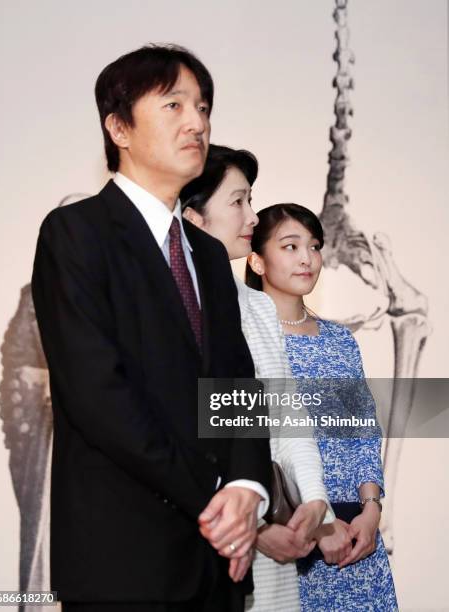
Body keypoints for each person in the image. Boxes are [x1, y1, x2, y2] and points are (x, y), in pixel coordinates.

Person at [31, 45, 272, 612]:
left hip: (218, 567)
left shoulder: (209, 256)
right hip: (123, 563)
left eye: (204, 106)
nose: (198, 122)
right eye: (173, 104)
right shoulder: (76, 233)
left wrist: (247, 490)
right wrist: (215, 499)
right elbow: (99, 395)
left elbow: (237, 386)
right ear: (119, 126)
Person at [181, 145, 335, 612]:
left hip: (282, 550)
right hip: (208, 538)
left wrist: (313, 502)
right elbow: (185, 440)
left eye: (251, 199)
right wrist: (257, 526)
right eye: (238, 202)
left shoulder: (257, 307)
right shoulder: (177, 311)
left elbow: (287, 421)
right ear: (193, 219)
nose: (252, 216)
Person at [245, 203, 398, 611]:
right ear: (257, 261)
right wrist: (319, 525)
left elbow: (363, 432)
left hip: (356, 543)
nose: (306, 258)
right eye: (290, 246)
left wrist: (371, 511)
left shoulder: (339, 339)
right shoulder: (241, 343)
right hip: (285, 536)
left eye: (314, 247)